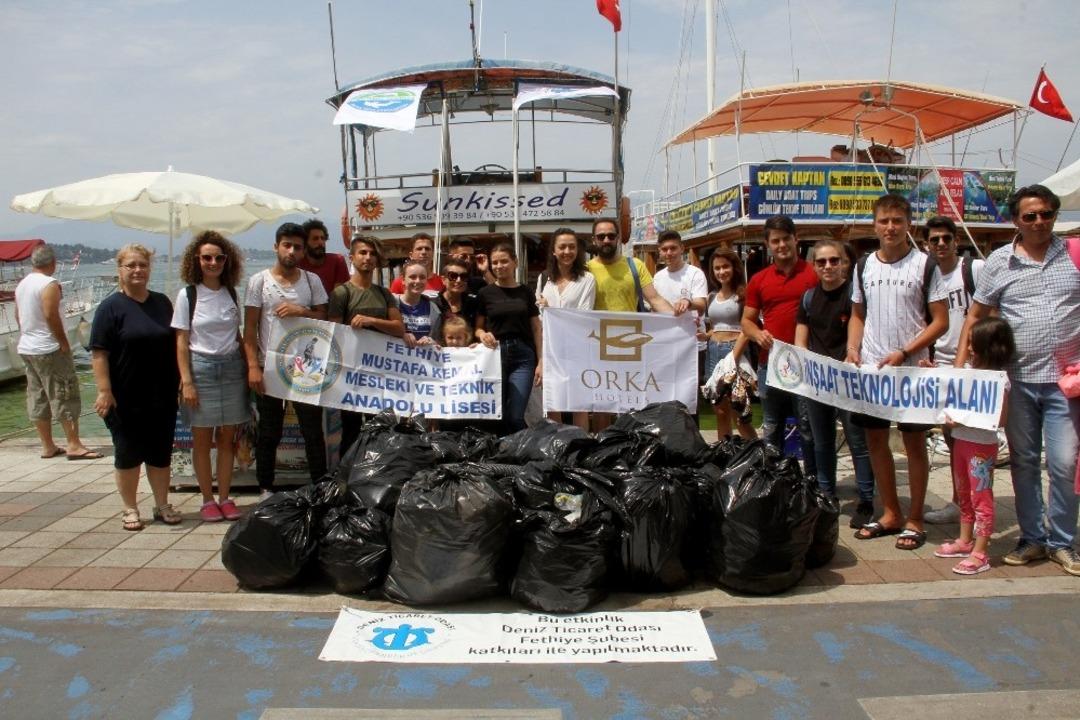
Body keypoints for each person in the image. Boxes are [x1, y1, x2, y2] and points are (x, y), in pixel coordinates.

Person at [956, 184, 1080, 575]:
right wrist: (962, 371)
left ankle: (1063, 541)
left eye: (1046, 213)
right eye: (1030, 216)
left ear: (1054, 215)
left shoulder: (1074, 255)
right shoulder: (998, 262)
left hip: (1066, 380)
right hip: (1018, 380)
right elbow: (975, 317)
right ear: (1016, 221)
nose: (1039, 221)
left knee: (1063, 462)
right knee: (1024, 461)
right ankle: (1032, 539)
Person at [848, 194, 948, 551]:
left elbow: (941, 321)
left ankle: (915, 517)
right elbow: (858, 314)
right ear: (874, 224)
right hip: (873, 369)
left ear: (909, 225)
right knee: (875, 441)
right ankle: (890, 512)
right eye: (884, 221)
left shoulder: (925, 265)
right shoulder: (863, 266)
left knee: (913, 444)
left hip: (913, 371)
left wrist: (905, 351)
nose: (890, 227)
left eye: (897, 221)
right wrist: (852, 350)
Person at [90, 245, 181, 531]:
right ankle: (130, 507)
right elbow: (99, 353)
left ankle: (162, 503)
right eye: (131, 265)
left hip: (162, 395)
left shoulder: (162, 303)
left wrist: (182, 380)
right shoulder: (110, 308)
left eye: (142, 265)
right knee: (127, 453)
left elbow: (176, 344)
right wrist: (105, 391)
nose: (137, 270)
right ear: (120, 269)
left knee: (160, 453)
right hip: (125, 397)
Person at [243, 222, 329, 500]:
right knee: (269, 432)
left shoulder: (311, 281)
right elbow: (250, 328)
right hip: (270, 367)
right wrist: (253, 367)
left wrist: (300, 310)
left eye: (297, 247)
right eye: (286, 245)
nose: (292, 251)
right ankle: (266, 488)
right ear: (276, 246)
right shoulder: (259, 281)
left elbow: (324, 318)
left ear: (304, 251)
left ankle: (319, 486)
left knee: (312, 431)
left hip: (307, 367)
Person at [795, 239, 875, 528]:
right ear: (814, 266)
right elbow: (800, 339)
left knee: (858, 442)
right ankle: (826, 495)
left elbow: (863, 329)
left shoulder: (854, 296)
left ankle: (866, 498)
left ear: (844, 263)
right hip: (818, 380)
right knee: (822, 441)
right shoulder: (808, 298)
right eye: (821, 262)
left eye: (833, 261)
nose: (828, 266)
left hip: (848, 380)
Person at [171, 231, 248, 522]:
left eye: (218, 257)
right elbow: (181, 340)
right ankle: (207, 499)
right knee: (201, 439)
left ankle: (225, 497)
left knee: (227, 439)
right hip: (201, 369)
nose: (213, 262)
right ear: (197, 260)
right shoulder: (187, 295)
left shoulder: (231, 292)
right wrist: (186, 380)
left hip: (231, 369)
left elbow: (238, 336)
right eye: (207, 257)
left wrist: (249, 367)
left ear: (227, 261)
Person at [934, 317, 1014, 575]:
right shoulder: (967, 375)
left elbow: (1000, 419)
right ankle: (964, 540)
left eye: (973, 345)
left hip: (981, 447)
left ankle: (981, 551)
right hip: (961, 442)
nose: (968, 349)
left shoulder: (998, 382)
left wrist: (967, 416)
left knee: (981, 498)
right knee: (964, 493)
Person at [920, 216, 986, 525]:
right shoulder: (930, 277)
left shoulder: (973, 270)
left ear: (956, 240)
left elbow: (994, 311)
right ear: (927, 245)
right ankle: (962, 503)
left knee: (975, 442)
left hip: (975, 365)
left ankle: (978, 505)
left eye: (946, 238)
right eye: (935, 240)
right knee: (952, 439)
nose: (941, 244)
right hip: (943, 365)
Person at [741, 215, 818, 467]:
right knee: (772, 427)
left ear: (797, 239)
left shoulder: (813, 273)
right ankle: (773, 480)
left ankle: (812, 481)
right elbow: (747, 322)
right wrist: (757, 333)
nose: (782, 245)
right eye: (776, 241)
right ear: (768, 244)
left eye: (786, 239)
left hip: (806, 364)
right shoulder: (758, 280)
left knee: (807, 427)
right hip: (770, 363)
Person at [15, 244, 100, 461]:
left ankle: (48, 445)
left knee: (38, 395)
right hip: (48, 347)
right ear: (52, 263)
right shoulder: (49, 284)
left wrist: (28, 334)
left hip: (27, 346)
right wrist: (63, 342)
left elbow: (18, 315)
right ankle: (73, 443)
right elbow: (51, 314)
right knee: (65, 392)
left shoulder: (22, 285)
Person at [328, 235, 406, 454]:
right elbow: (334, 335)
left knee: (380, 429)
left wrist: (371, 320)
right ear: (351, 257)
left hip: (380, 375)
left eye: (372, 254)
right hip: (351, 376)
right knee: (351, 431)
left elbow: (399, 329)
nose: (368, 258)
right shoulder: (341, 293)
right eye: (362, 252)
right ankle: (346, 479)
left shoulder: (384, 293)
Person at [476, 243, 542, 435]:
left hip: (523, 357)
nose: (499, 266)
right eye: (495, 262)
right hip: (495, 356)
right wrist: (482, 335)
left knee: (515, 415)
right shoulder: (484, 294)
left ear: (515, 262)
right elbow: (478, 328)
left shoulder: (526, 292)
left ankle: (520, 451)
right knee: (497, 413)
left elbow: (536, 328)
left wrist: (541, 361)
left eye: (504, 261)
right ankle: (502, 456)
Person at [536, 227, 597, 429]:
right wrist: (542, 357)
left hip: (578, 348)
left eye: (572, 247)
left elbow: (582, 316)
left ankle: (580, 448)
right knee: (554, 400)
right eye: (562, 247)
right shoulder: (544, 278)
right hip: (551, 349)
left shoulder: (587, 279)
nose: (567, 251)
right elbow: (540, 318)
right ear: (554, 250)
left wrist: (550, 309)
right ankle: (557, 446)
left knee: (578, 402)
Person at [703, 249, 756, 441]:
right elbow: (715, 327)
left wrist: (733, 357)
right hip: (713, 352)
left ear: (734, 268)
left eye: (725, 266)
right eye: (717, 268)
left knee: (739, 412)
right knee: (720, 410)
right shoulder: (711, 296)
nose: (721, 271)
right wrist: (705, 335)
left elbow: (747, 328)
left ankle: (758, 457)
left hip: (735, 352)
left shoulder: (744, 295)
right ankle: (725, 454)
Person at [587, 218, 675, 314]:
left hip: (630, 328)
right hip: (597, 329)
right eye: (601, 237)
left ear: (617, 238)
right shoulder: (586, 270)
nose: (606, 240)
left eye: (611, 236)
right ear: (594, 240)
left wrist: (679, 321)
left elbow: (655, 300)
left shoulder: (636, 265)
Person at [394, 260, 442, 347]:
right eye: (413, 277)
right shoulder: (391, 302)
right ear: (403, 280)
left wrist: (431, 342)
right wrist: (401, 334)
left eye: (422, 277)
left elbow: (438, 341)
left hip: (419, 360)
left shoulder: (434, 309)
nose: (418, 281)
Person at [297, 219, 350, 296]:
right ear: (305, 242)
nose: (320, 242)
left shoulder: (337, 260)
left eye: (323, 238)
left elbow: (338, 298)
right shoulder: (298, 263)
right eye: (315, 238)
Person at [389, 233, 445, 297]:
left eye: (427, 249)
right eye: (419, 249)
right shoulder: (399, 282)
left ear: (433, 254)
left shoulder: (442, 282)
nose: (424, 252)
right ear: (411, 255)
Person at [434, 258, 479, 328]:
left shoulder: (474, 304)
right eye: (453, 276)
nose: (458, 280)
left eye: (463, 276)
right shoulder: (433, 305)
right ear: (443, 280)